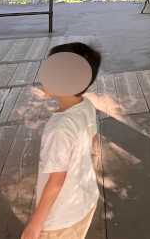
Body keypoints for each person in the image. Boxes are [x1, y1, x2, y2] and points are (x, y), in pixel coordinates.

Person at [22, 43, 101, 239]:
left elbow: (56, 181)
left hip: (60, 219)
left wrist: (35, 225)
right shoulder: (86, 106)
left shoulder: (58, 129)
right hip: (85, 199)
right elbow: (94, 143)